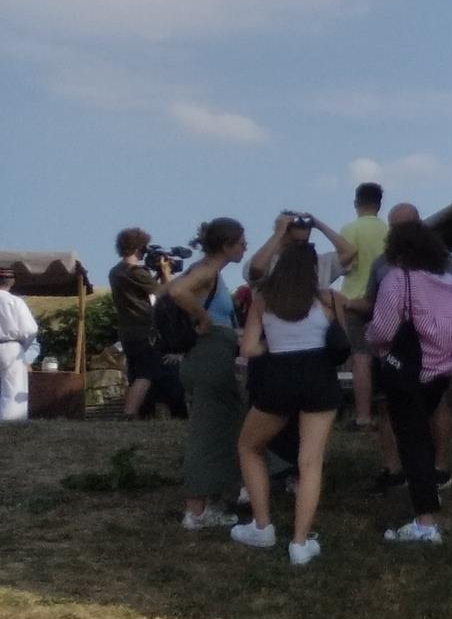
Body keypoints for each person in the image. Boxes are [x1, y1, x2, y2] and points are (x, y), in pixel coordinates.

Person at [232, 218, 347, 565]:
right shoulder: (329, 298)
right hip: (320, 378)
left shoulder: (264, 298)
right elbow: (341, 343)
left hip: (279, 375)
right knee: (310, 462)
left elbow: (249, 349)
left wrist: (273, 346)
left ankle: (262, 526)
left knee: (249, 446)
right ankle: (299, 544)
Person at [367, 218, 452, 546]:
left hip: (407, 373)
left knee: (413, 443)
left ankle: (425, 522)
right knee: (425, 438)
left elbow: (384, 329)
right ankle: (429, 498)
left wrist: (373, 341)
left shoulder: (397, 280)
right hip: (442, 371)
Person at [165, 219, 249, 529]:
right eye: (241, 242)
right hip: (210, 355)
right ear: (226, 246)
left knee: (223, 428)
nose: (245, 247)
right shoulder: (208, 270)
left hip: (209, 357)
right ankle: (196, 511)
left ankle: (211, 501)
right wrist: (202, 317)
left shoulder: (208, 270)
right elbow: (177, 291)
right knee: (208, 433)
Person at [337, 182, 388, 431]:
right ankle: (389, 411)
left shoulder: (350, 229)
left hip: (355, 300)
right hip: (386, 301)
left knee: (361, 357)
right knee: (389, 357)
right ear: (380, 204)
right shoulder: (389, 232)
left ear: (356, 202)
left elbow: (343, 265)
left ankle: (363, 416)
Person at [110, 229, 167, 418]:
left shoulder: (115, 271)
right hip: (143, 329)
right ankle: (130, 413)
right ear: (137, 248)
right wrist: (165, 273)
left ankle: (143, 413)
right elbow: (164, 293)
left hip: (126, 330)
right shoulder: (137, 272)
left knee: (134, 373)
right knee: (146, 372)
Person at [0, 261, 37, 423]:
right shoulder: (16, 302)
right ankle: (12, 423)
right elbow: (30, 329)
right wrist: (24, 346)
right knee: (13, 387)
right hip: (11, 346)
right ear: (12, 282)